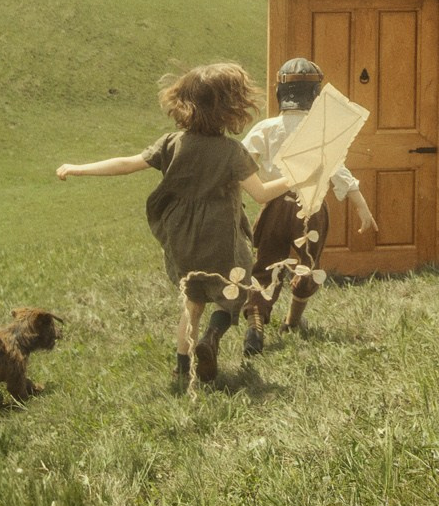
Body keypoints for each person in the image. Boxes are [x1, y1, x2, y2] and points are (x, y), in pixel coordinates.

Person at [57, 62, 290, 391]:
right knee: (234, 291)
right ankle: (212, 336)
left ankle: (183, 370)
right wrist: (297, 177)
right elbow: (262, 193)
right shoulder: (231, 152)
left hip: (181, 239)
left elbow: (127, 164)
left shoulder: (171, 143)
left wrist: (79, 168)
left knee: (192, 302)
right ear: (230, 108)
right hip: (220, 239)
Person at [238, 58, 378, 352]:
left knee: (266, 264)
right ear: (316, 94)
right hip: (311, 209)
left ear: (281, 91)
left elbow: (240, 162)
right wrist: (362, 206)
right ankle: (292, 321)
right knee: (307, 265)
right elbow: (339, 172)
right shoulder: (322, 132)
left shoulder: (266, 127)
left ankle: (256, 321)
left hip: (275, 205)